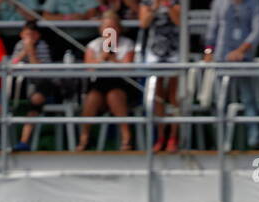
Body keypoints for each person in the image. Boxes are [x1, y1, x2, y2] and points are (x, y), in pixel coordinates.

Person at [204, 0, 259, 150]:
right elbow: (212, 29)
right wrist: (208, 51)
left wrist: (241, 50)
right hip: (221, 58)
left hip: (244, 59)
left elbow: (258, 31)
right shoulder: (219, 3)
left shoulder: (256, 4)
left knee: (248, 98)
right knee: (220, 100)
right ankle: (221, 141)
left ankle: (254, 140)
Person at [77, 11, 138, 150]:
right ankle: (84, 137)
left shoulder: (127, 44)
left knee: (113, 95)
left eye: (113, 27)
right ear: (101, 30)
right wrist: (102, 57)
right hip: (98, 84)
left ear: (119, 29)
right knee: (92, 97)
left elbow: (127, 69)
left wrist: (112, 59)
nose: (110, 31)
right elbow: (89, 69)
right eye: (106, 28)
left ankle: (126, 137)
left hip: (121, 85)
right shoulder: (94, 45)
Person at [139, 0, 185, 152]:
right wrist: (155, 7)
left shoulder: (177, 1)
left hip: (175, 51)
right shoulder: (147, 2)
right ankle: (161, 136)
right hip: (155, 52)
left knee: (174, 96)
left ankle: (173, 137)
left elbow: (180, 21)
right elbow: (144, 23)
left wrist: (169, 6)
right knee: (157, 97)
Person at [9, 20, 60, 150]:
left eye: (32, 35)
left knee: (35, 100)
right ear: (21, 35)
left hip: (45, 85)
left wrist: (31, 51)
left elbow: (38, 72)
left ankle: (24, 141)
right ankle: (19, 142)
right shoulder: (19, 45)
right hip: (25, 86)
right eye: (26, 35)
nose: (29, 38)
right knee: (33, 101)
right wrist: (24, 52)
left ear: (37, 35)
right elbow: (11, 66)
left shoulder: (42, 46)